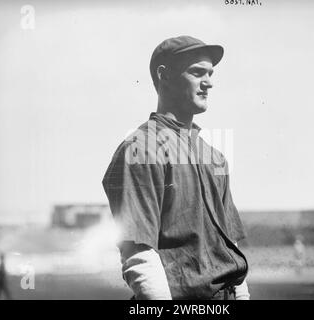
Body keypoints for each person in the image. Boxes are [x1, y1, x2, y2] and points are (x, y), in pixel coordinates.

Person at [102, 35, 250, 300]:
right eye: (197, 72)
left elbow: (231, 247)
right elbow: (139, 253)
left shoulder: (214, 156)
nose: (209, 82)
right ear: (164, 75)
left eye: (210, 73)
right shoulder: (140, 149)